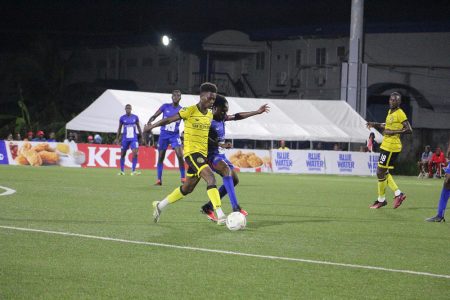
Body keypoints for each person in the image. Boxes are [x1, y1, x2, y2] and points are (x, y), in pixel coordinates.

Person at [144, 82, 227, 225]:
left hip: (202, 155)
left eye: (214, 99)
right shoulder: (190, 110)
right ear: (201, 96)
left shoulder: (209, 115)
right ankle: (220, 214)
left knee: (187, 188)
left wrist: (219, 144)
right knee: (211, 178)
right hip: (191, 153)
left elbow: (206, 135)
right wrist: (152, 125)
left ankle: (160, 206)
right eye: (210, 98)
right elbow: (169, 119)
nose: (212, 101)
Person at [200, 95, 270, 221]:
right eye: (222, 111)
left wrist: (257, 112)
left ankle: (208, 207)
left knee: (234, 180)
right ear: (214, 108)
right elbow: (202, 138)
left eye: (225, 112)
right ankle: (236, 207)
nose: (224, 114)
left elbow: (237, 116)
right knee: (226, 171)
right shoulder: (207, 121)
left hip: (220, 155)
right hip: (209, 156)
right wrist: (220, 144)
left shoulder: (221, 118)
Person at [366, 92, 412, 209]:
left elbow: (409, 129)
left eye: (395, 100)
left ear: (399, 102)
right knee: (383, 172)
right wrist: (374, 124)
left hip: (392, 147)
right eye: (391, 100)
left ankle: (387, 198)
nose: (392, 101)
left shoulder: (400, 113)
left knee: (379, 172)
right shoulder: (390, 112)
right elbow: (386, 125)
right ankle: (392, 195)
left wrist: (393, 132)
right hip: (386, 145)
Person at [147, 90, 185, 185]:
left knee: (180, 155)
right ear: (172, 97)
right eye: (174, 95)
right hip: (163, 135)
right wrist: (150, 122)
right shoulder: (165, 106)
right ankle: (159, 179)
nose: (176, 97)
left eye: (178, 96)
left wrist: (185, 132)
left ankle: (183, 178)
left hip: (174, 135)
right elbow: (155, 116)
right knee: (161, 157)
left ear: (180, 98)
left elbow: (187, 122)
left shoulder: (182, 109)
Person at [115, 104, 144, 176]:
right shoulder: (122, 118)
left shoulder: (135, 117)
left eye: (129, 108)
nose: (128, 109)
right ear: (125, 109)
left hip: (134, 138)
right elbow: (119, 128)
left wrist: (142, 137)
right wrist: (117, 138)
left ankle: (133, 171)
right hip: (125, 138)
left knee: (135, 153)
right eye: (127, 108)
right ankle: (122, 171)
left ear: (131, 109)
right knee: (122, 154)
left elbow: (139, 127)